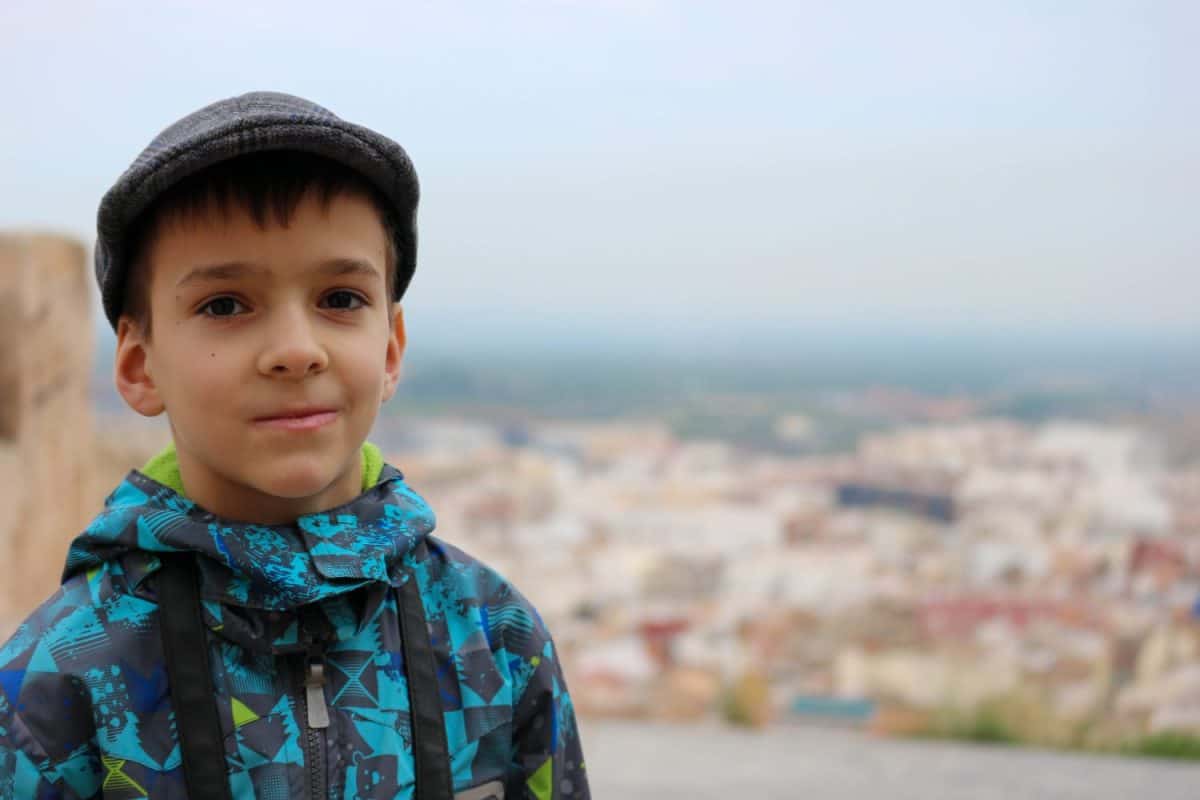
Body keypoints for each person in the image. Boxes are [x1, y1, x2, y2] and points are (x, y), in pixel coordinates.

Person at [0, 91, 588, 800]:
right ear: (138, 365)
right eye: (225, 305)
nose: (295, 350)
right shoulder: (56, 684)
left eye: (341, 298)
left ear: (392, 348)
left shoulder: (493, 638)